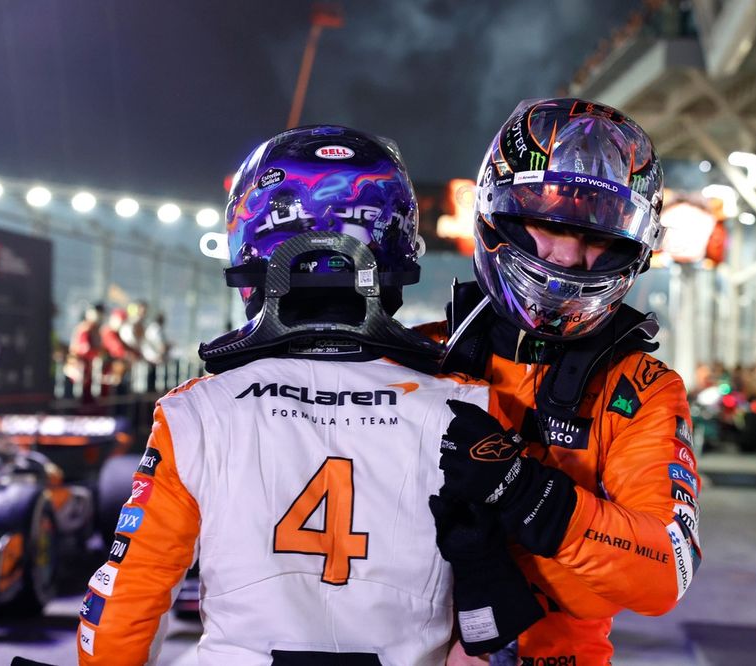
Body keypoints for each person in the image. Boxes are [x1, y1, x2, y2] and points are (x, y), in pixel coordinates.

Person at [77, 125, 542, 665]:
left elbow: (120, 615)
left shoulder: (195, 413)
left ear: (249, 243)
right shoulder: (467, 407)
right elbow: (491, 624)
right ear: (397, 247)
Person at [421, 98, 702, 665]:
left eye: (600, 237)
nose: (571, 258)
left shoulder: (642, 388)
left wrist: (526, 491)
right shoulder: (418, 358)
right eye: (551, 223)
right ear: (494, 216)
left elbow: (664, 573)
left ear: (637, 249)